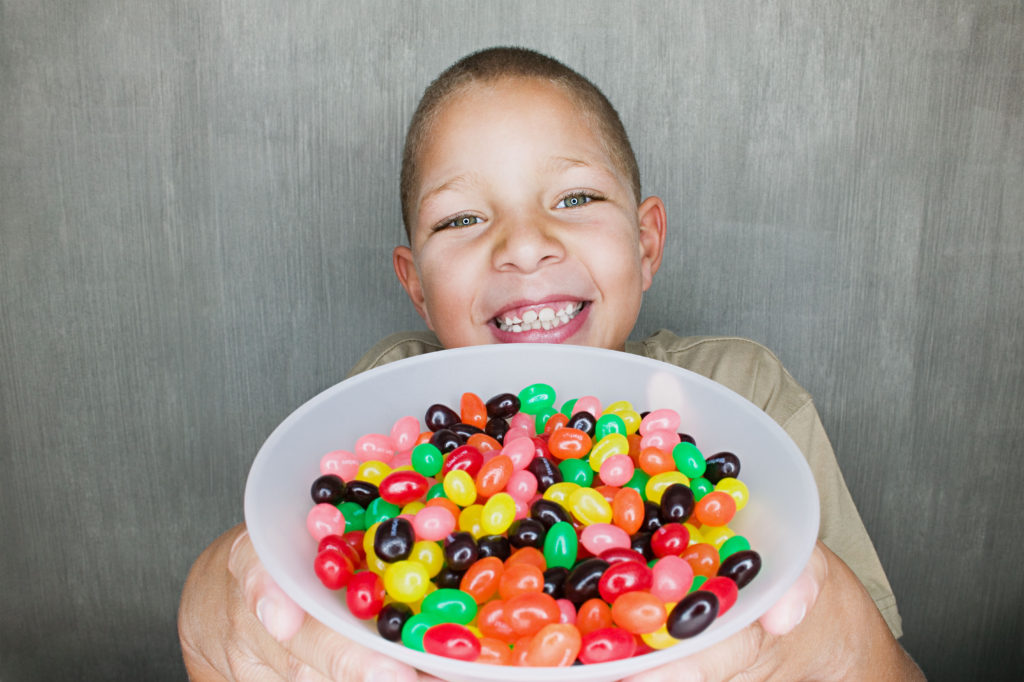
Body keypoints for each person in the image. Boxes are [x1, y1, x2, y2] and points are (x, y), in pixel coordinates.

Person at [179, 47, 923, 681]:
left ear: (647, 244)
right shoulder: (386, 403)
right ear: (415, 285)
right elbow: (309, 571)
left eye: (575, 197)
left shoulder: (747, 392)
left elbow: (890, 665)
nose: (524, 244)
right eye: (462, 218)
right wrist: (213, 610)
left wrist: (830, 637)